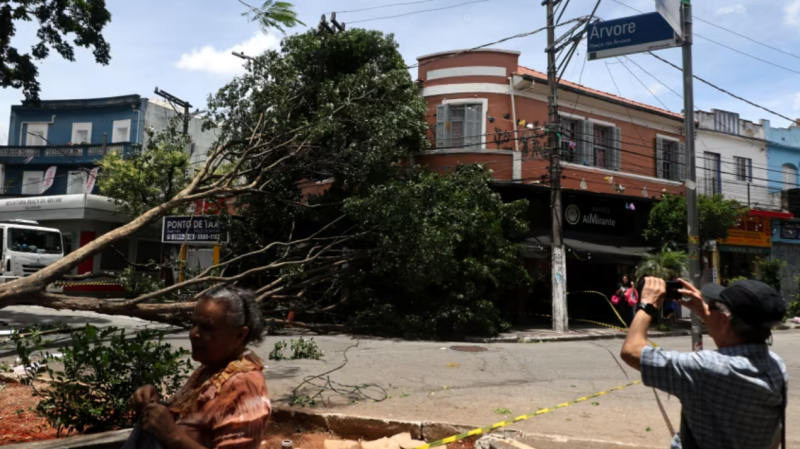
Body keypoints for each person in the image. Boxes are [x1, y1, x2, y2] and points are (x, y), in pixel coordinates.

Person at [620, 278, 788, 449]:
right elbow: (729, 340)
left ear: (724, 321)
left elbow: (631, 350)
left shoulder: (705, 369)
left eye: (713, 305)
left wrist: (648, 306)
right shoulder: (776, 366)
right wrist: (706, 312)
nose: (708, 308)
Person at [126, 287, 271, 449]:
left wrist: (171, 434)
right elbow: (190, 421)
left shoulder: (244, 385)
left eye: (207, 327)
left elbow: (176, 432)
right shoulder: (211, 370)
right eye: (193, 324)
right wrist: (153, 404)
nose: (194, 333)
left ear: (240, 335)